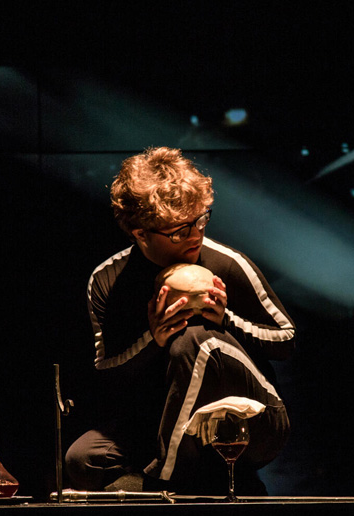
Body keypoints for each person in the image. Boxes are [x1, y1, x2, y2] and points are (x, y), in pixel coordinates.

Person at [66, 147, 296, 495]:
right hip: (162, 426)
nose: (195, 235)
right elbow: (105, 376)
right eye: (178, 231)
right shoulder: (108, 281)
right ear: (140, 233)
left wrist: (226, 320)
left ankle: (162, 485)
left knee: (194, 340)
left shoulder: (227, 264)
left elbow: (286, 339)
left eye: (201, 220)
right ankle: (194, 483)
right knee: (83, 458)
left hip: (248, 421)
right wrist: (152, 340)